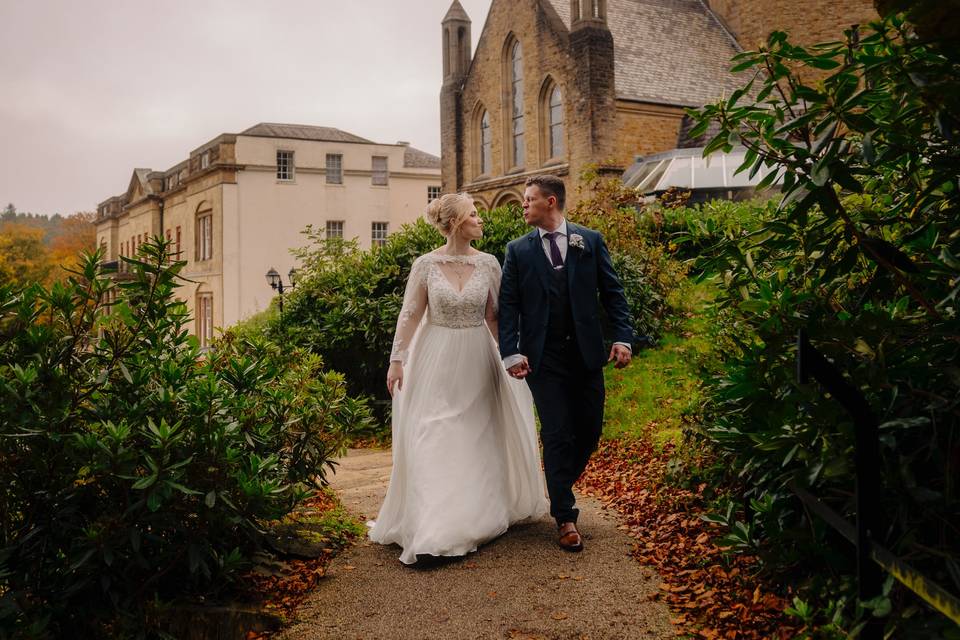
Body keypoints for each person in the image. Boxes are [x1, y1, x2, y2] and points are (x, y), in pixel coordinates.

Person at [368, 193, 548, 565]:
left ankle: (471, 517)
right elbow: (410, 314)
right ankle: (433, 529)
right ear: (455, 223)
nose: (480, 220)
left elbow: (495, 318)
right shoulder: (426, 264)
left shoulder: (488, 263)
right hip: (435, 358)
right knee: (434, 431)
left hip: (478, 358)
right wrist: (397, 360)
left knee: (476, 435)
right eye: (473, 215)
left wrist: (510, 356)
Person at [499, 175, 634, 552]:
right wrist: (510, 351)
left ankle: (558, 483)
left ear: (551, 202)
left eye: (529, 199)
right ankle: (565, 515)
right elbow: (508, 304)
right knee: (557, 432)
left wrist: (622, 337)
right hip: (543, 359)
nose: (523, 205)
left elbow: (613, 293)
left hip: (587, 354)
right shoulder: (517, 250)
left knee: (589, 430)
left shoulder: (589, 240)